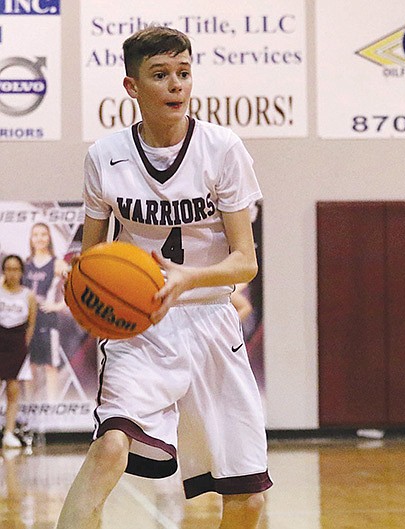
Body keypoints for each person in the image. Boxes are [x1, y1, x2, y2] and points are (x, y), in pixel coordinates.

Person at [57, 26, 272, 529]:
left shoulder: (222, 149)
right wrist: (89, 298)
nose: (176, 85)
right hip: (141, 326)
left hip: (211, 321)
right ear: (132, 87)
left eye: (183, 73)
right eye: (160, 75)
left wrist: (188, 279)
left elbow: (245, 262)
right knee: (110, 446)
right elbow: (91, 259)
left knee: (248, 498)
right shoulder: (104, 157)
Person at [23, 222, 67, 401]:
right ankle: (29, 407)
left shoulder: (58, 264)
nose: (39, 238)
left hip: (48, 321)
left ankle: (53, 408)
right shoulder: (25, 264)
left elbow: (75, 288)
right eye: (36, 235)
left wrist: (58, 306)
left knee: (50, 366)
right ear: (31, 239)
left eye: (43, 234)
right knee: (29, 366)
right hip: (27, 322)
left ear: (49, 238)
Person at [0, 255, 37, 448]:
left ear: (21, 272)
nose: (11, 273)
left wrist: (23, 346)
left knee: (13, 390)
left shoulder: (28, 295)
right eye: (8, 268)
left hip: (16, 344)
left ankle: (8, 432)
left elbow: (31, 323)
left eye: (15, 269)